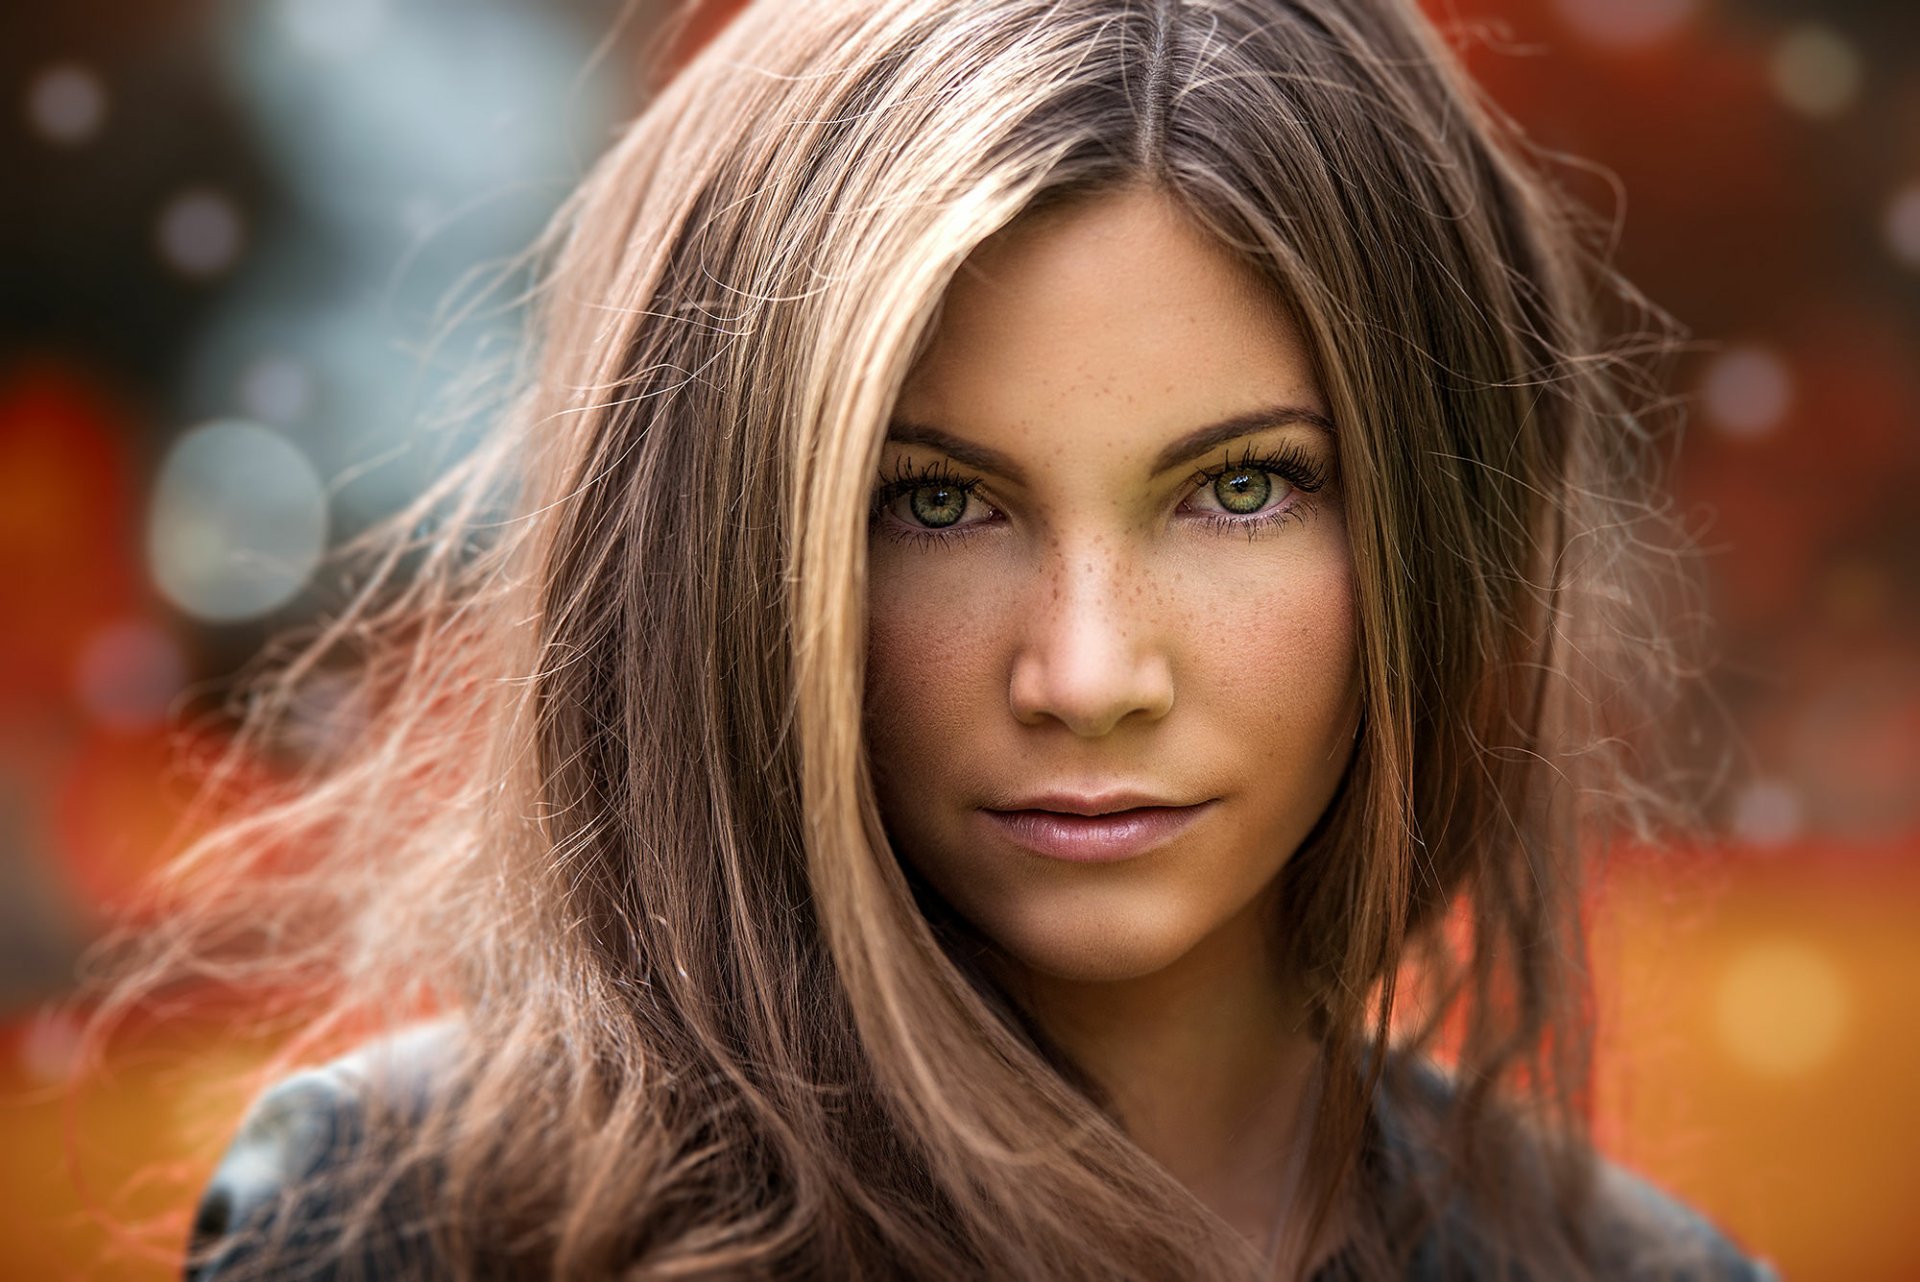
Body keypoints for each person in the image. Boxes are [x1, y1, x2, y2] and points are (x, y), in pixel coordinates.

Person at [90, 0, 1778, 1277]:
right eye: (940, 505)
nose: (1090, 673)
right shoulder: (413, 1222)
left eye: (1244, 487)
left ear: (1444, 529)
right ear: (722, 558)